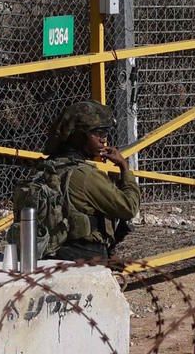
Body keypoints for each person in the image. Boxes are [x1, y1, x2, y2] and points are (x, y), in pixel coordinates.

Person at [23, 100, 139, 261]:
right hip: (84, 259)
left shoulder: (44, 169)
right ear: (79, 136)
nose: (103, 140)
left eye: (105, 133)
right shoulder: (86, 176)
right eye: (98, 133)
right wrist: (124, 167)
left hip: (48, 257)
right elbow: (129, 207)